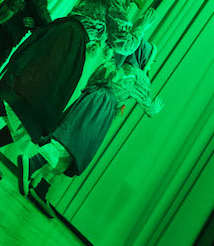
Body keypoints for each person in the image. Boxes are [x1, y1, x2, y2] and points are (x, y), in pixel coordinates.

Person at [0, 0, 153, 181]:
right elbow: (124, 43)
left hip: (66, 39)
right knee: (36, 100)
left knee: (41, 108)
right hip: (69, 45)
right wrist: (141, 28)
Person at [20, 40, 162, 215]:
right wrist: (154, 109)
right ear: (144, 55)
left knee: (72, 148)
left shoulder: (114, 64)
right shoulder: (138, 76)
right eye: (152, 59)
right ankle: (32, 163)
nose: (152, 63)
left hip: (91, 99)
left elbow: (92, 81)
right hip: (102, 108)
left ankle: (41, 188)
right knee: (70, 144)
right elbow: (148, 106)